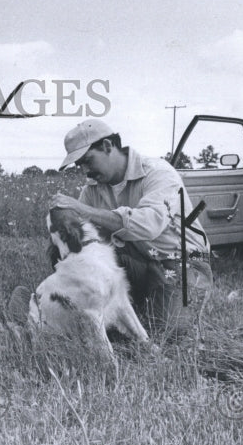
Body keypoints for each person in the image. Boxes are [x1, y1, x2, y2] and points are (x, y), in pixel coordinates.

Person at [49, 118, 212, 340]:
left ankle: (150, 301)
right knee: (66, 250)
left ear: (108, 146)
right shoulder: (93, 189)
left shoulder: (159, 173)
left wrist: (80, 209)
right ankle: (75, 305)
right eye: (80, 166)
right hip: (136, 258)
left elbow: (149, 225)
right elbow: (83, 236)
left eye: (88, 160)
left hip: (181, 261)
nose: (86, 171)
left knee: (168, 333)